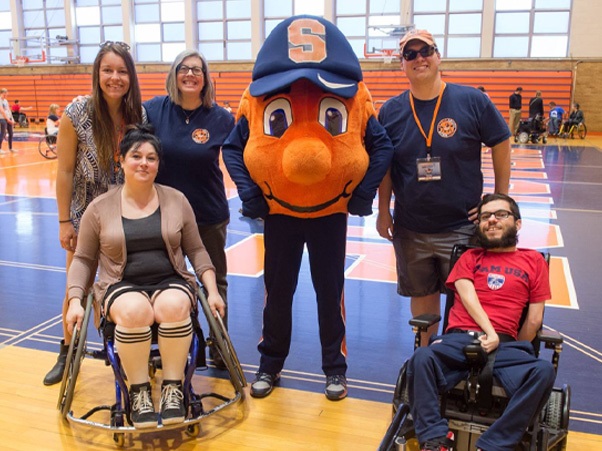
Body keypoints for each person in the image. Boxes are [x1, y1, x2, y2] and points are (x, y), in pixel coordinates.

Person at [223, 14, 393, 401]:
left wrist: (364, 192)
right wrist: (250, 192)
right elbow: (233, 147)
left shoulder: (353, 93)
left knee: (329, 293)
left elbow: (382, 145)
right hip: (280, 215)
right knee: (276, 292)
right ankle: (270, 364)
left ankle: (335, 369)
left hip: (329, 216)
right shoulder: (258, 95)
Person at [64, 124, 225, 429]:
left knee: (175, 306)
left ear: (158, 165)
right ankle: (139, 392)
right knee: (135, 311)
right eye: (136, 156)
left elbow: (198, 251)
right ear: (121, 161)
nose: (144, 163)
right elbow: (83, 260)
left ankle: (173, 388)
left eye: (151, 158)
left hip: (170, 280)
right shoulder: (99, 209)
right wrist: (74, 300)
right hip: (120, 285)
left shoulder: (176, 200)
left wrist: (212, 290)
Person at [377, 29, 511, 346]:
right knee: (423, 306)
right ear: (402, 64)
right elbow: (384, 168)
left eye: (426, 51)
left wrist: (499, 198)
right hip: (411, 229)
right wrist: (383, 211)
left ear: (439, 57)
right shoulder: (390, 112)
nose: (419, 58)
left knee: (466, 308)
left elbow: (502, 141)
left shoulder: (472, 101)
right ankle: (425, 365)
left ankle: (459, 373)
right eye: (410, 54)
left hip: (463, 226)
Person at [406, 193, 555, 451]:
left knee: (542, 372)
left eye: (501, 214)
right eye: (486, 216)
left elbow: (534, 319)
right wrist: (490, 332)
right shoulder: (470, 257)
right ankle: (435, 440)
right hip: (459, 339)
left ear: (517, 223)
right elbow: (466, 293)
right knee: (421, 358)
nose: (492, 220)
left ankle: (494, 445)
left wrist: (509, 345)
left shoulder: (534, 261)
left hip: (506, 346)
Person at [43, 41, 145, 386]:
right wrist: (63, 221)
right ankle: (67, 354)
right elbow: (65, 172)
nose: (115, 78)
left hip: (124, 217)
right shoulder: (76, 112)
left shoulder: (138, 116)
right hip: (84, 216)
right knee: (78, 287)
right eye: (108, 70)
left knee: (120, 285)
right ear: (97, 73)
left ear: (130, 76)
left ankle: (120, 350)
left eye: (122, 71)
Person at [143, 50, 234, 368]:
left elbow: (239, 159)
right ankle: (177, 344)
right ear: (174, 73)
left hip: (208, 214)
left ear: (206, 78)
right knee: (167, 281)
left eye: (198, 69)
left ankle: (220, 345)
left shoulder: (221, 117)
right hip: (163, 216)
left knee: (215, 281)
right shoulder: (153, 110)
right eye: (184, 68)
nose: (191, 74)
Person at [0, 88, 15, 154]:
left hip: (8, 118)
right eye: (6, 93)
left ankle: (10, 148)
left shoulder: (6, 101)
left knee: (11, 133)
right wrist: (7, 119)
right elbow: (2, 111)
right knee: (3, 133)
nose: (7, 94)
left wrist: (12, 118)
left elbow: (8, 110)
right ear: (3, 93)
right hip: (2, 118)